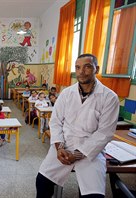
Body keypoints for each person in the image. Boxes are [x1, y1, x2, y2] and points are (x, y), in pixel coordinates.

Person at [36, 54, 119, 198]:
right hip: (64, 146)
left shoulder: (109, 97)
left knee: (92, 195)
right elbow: (55, 122)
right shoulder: (66, 94)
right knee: (42, 182)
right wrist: (59, 148)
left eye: (87, 67)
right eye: (78, 67)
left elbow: (105, 133)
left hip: (90, 151)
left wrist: (77, 154)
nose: (81, 71)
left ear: (96, 69)